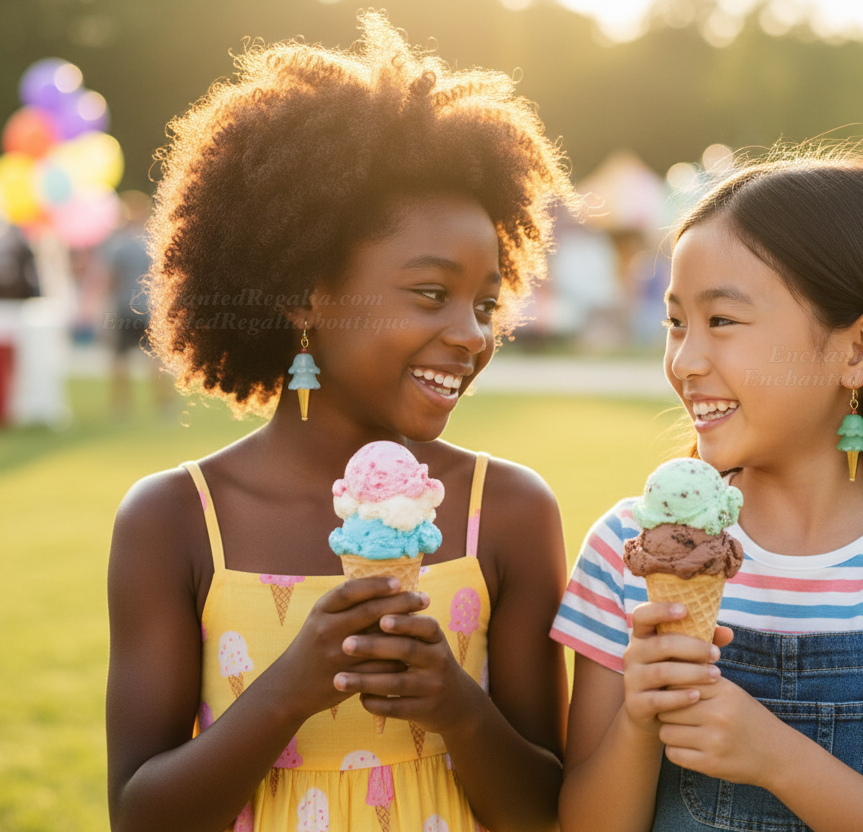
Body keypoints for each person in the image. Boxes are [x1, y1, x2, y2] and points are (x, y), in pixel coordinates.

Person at [106, 13, 573, 832]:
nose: (472, 332)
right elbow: (140, 817)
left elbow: (550, 814)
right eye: (432, 294)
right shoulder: (175, 520)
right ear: (307, 294)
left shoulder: (507, 511)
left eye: (487, 303)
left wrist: (459, 711)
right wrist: (285, 691)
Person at [553, 150, 863, 832]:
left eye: (723, 321)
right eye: (676, 322)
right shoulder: (630, 550)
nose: (685, 360)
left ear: (859, 350)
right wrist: (638, 721)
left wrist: (776, 759)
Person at [99, 190, 173, 417]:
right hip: (149, 309)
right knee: (156, 361)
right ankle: (165, 406)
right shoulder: (155, 242)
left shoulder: (118, 245)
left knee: (120, 361)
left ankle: (121, 407)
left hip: (124, 308)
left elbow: (110, 280)